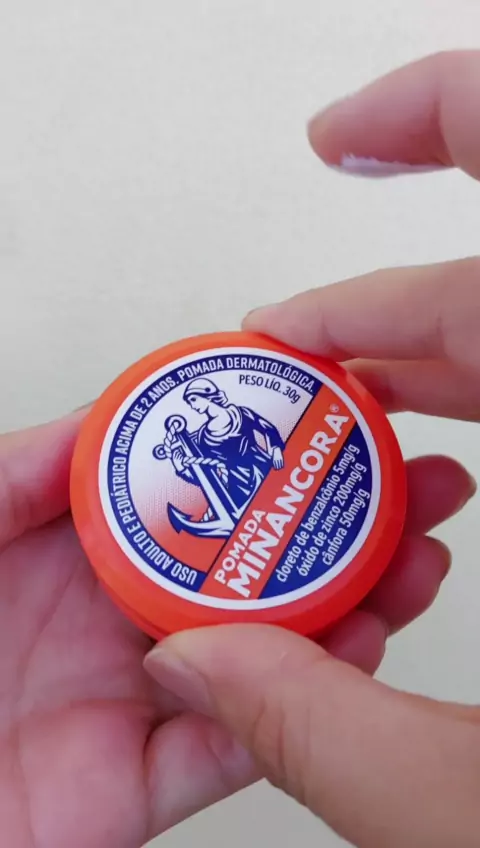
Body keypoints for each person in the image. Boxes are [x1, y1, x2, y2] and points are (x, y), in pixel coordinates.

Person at [3, 49, 480, 847]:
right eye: (192, 403)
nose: (199, 404)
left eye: (202, 400)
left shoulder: (239, 418)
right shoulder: (189, 436)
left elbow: (260, 439)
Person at [163, 377, 285, 517]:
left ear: (208, 395)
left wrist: (275, 449)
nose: (192, 406)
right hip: (238, 488)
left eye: (194, 400)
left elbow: (267, 428)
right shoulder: (203, 437)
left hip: (264, 469)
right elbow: (206, 478)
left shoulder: (240, 413)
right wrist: (181, 468)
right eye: (189, 402)